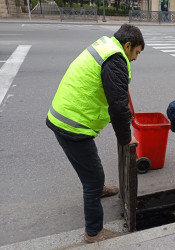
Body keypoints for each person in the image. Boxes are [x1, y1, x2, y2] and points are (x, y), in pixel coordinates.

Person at [46, 24, 144, 243]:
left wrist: (126, 114)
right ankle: (93, 233)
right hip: (71, 125)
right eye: (136, 52)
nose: (136, 58)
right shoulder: (116, 58)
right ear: (127, 45)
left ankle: (97, 189)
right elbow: (118, 106)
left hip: (64, 116)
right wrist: (126, 138)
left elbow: (118, 95)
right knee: (93, 178)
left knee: (91, 170)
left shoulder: (105, 45)